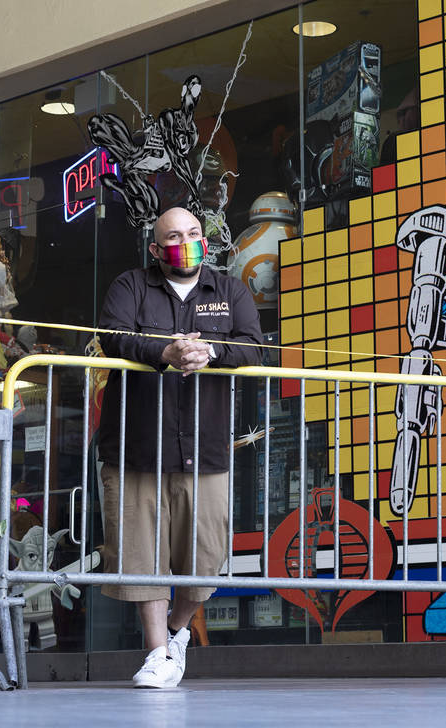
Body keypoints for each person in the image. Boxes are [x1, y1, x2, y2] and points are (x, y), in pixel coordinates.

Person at [97, 206, 263, 688]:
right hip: (137, 443)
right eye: (173, 236)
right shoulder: (130, 286)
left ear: (205, 242)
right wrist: (163, 352)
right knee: (141, 554)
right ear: (155, 248)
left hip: (206, 446)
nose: (185, 241)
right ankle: (156, 656)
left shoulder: (229, 289)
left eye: (193, 233)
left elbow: (254, 344)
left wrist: (210, 351)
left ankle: (174, 635)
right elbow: (114, 336)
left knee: (206, 557)